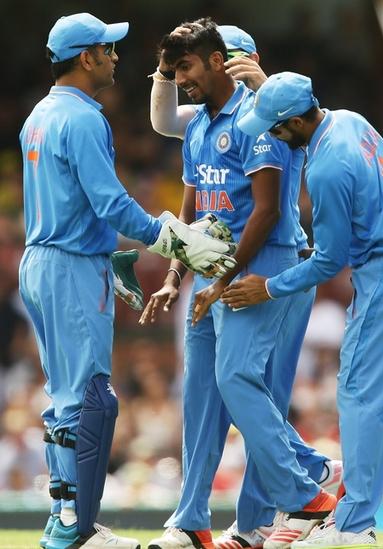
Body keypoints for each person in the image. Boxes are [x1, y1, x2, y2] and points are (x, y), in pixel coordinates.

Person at [196, 71, 383, 549]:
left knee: (359, 394)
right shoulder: (348, 120)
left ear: (293, 122)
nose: (269, 136)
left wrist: (268, 287)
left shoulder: (326, 167)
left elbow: (330, 260)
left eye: (273, 126)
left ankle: (352, 526)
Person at [20, 12, 236, 549]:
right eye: (109, 50)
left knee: (65, 399)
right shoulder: (85, 119)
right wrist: (176, 240)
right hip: (69, 266)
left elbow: (69, 203)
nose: (117, 58)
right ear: (87, 57)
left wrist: (109, 254)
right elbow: (110, 202)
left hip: (44, 262)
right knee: (92, 398)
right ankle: (77, 528)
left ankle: (65, 520)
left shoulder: (40, 115)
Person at [141, 20, 337, 549]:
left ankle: (300, 497)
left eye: (189, 66)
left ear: (221, 62)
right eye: (176, 69)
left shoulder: (259, 122)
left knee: (244, 385)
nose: (183, 78)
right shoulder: (202, 124)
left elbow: (269, 211)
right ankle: (192, 519)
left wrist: (220, 277)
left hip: (266, 264)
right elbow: (195, 203)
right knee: (203, 396)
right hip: (211, 271)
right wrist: (178, 272)